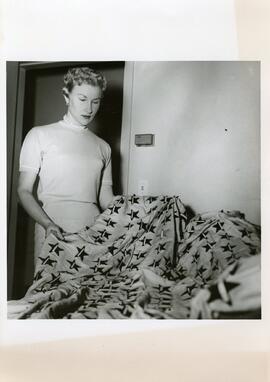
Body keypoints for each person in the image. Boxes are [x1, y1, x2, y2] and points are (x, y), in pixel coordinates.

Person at [17, 67, 115, 262]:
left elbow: (107, 200)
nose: (89, 108)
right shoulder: (39, 135)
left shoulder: (104, 147)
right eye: (82, 99)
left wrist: (138, 209)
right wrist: (47, 224)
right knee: (49, 291)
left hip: (93, 233)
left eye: (96, 101)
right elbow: (23, 191)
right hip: (53, 228)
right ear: (66, 96)